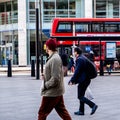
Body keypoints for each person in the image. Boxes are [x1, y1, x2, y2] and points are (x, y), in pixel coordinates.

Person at [38, 38, 72, 120]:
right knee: (62, 112)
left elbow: (55, 78)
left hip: (52, 92)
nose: (45, 48)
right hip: (57, 91)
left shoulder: (54, 59)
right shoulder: (53, 57)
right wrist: (45, 75)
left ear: (48, 47)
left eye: (46, 46)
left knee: (42, 112)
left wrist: (46, 85)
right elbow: (54, 73)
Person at [68, 47, 98, 116]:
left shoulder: (80, 59)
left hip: (84, 80)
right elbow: (80, 71)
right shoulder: (83, 57)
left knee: (80, 96)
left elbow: (77, 71)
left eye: (74, 52)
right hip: (85, 79)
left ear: (76, 52)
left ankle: (93, 105)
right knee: (81, 95)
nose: (73, 53)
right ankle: (81, 111)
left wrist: (72, 80)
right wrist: (74, 80)